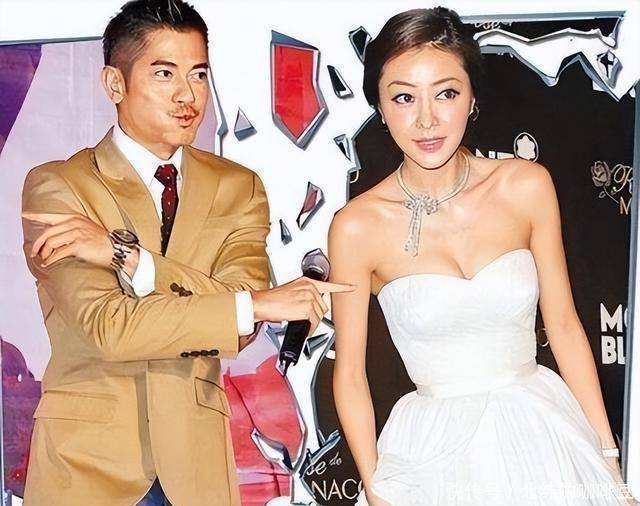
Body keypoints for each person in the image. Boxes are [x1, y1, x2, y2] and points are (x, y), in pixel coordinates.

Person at [20, 1, 351, 505]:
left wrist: (127, 258)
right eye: (164, 73)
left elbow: (237, 326)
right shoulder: (59, 186)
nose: (187, 95)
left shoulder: (237, 187)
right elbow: (111, 327)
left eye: (198, 74)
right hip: (87, 464)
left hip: (196, 466)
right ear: (114, 84)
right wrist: (252, 303)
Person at [329, 7, 631, 506]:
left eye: (446, 93)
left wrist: (607, 456)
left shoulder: (525, 186)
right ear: (379, 107)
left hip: (542, 438)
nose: (426, 119)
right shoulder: (356, 227)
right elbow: (350, 374)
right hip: (429, 458)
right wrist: (375, 489)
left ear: (471, 98)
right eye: (403, 97)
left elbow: (563, 325)